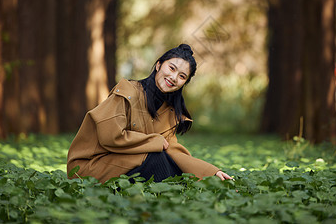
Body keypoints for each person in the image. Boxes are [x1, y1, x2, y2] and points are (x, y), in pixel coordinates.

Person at [67, 44, 232, 183]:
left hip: (125, 163)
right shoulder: (128, 91)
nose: (173, 77)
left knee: (170, 161)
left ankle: (177, 199)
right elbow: (111, 138)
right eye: (171, 68)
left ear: (184, 83)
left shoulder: (170, 111)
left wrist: (211, 173)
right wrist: (154, 141)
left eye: (182, 76)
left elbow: (172, 150)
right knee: (156, 159)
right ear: (159, 65)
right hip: (89, 167)